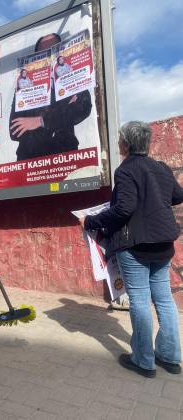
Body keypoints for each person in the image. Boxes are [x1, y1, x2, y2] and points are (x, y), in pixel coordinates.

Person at [80, 121, 183, 378]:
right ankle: (170, 357)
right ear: (146, 144)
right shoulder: (160, 168)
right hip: (163, 243)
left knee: (139, 300)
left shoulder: (125, 170)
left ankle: (143, 360)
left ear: (125, 144)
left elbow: (124, 209)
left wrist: (91, 221)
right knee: (164, 299)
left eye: (119, 140)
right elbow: (178, 196)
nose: (118, 144)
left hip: (136, 245)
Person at [9, 33, 92, 161]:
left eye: (54, 48)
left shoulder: (72, 76)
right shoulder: (23, 87)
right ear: (37, 56)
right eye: (44, 50)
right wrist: (64, 111)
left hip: (64, 158)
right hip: (30, 162)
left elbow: (83, 109)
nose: (49, 53)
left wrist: (40, 121)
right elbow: (14, 131)